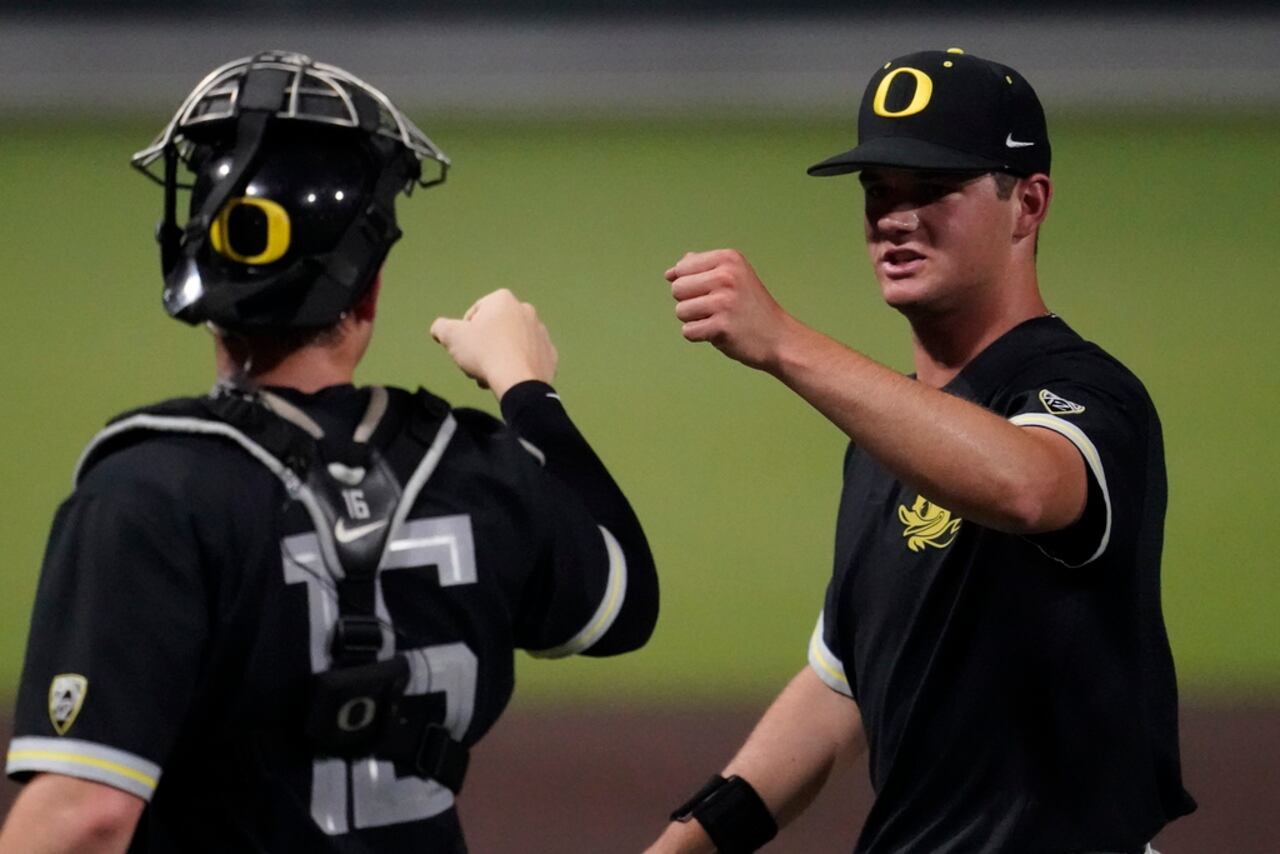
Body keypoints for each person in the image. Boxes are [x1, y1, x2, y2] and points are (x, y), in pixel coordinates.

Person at [1, 51, 658, 853]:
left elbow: (85, 813)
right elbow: (624, 602)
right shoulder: (474, 466)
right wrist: (524, 385)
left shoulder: (147, 493)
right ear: (370, 288)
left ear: (191, 261)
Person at [650, 48, 1194, 853]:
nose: (895, 218)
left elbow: (1026, 488)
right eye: (879, 191)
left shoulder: (1089, 394)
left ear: (1029, 203)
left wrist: (784, 344)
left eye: (935, 189)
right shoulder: (886, 434)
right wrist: (687, 844)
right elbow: (839, 691)